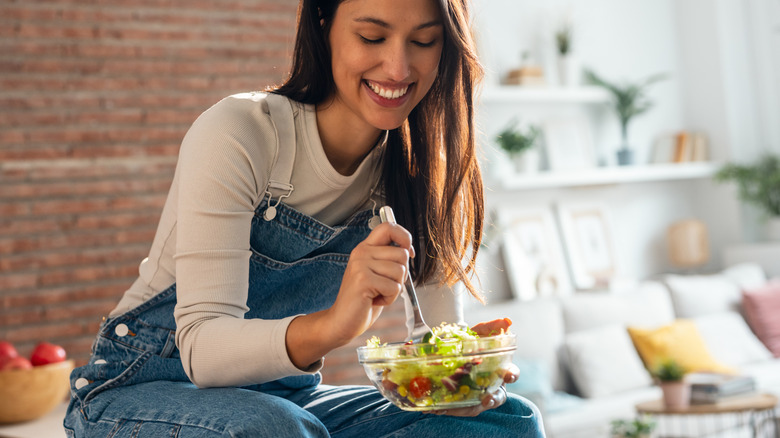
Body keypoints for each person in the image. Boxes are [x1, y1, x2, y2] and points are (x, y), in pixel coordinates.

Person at [64, 0, 545, 436]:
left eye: (423, 41)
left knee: (509, 419)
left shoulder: (418, 173)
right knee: (274, 427)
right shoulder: (242, 132)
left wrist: (462, 376)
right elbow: (202, 350)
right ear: (323, 24)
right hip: (138, 388)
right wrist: (336, 325)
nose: (398, 67)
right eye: (372, 37)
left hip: (286, 399)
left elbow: (436, 348)